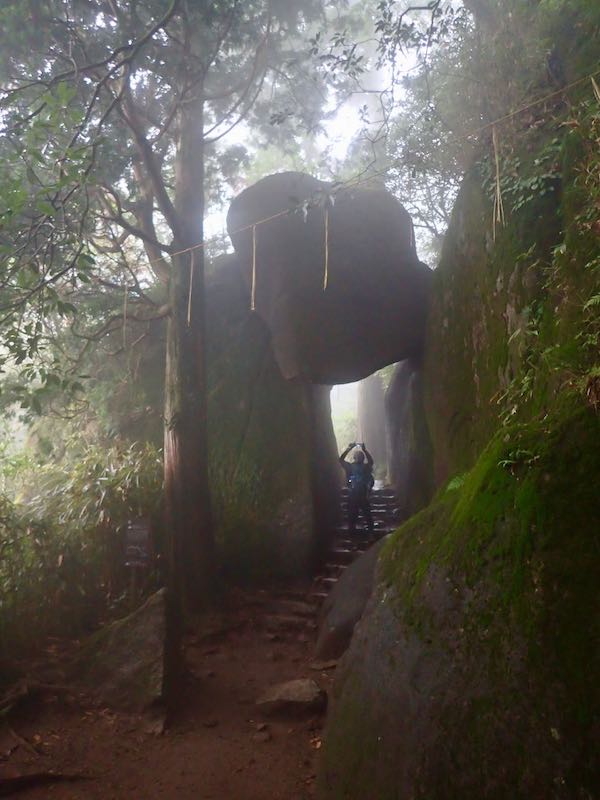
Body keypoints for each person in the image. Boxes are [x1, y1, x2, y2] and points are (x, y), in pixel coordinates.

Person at [339, 442, 374, 534]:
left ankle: (367, 533)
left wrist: (363, 450)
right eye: (358, 456)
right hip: (355, 494)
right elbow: (341, 460)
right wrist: (350, 448)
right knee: (354, 516)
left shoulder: (357, 467)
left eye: (360, 456)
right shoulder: (350, 467)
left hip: (359, 494)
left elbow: (371, 462)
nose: (359, 458)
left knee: (363, 515)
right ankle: (354, 534)